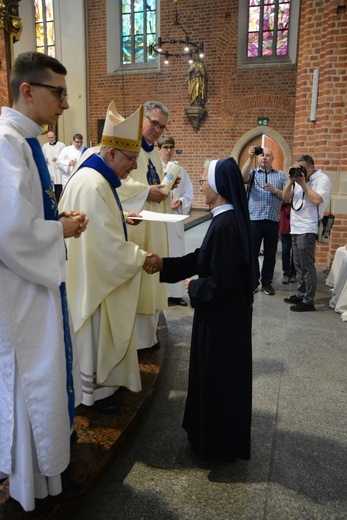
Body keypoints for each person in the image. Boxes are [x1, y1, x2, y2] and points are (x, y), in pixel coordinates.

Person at [0, 51, 88, 512]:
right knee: (31, 385)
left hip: (36, 287)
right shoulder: (6, 143)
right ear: (27, 91)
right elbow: (10, 231)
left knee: (47, 379)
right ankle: (31, 489)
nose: (66, 104)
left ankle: (51, 478)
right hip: (20, 293)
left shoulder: (26, 140)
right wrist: (61, 230)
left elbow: (28, 214)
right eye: (58, 93)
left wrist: (56, 219)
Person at [59, 101, 162, 411]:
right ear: (112, 153)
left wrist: (121, 218)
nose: (133, 166)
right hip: (94, 283)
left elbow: (101, 227)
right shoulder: (92, 184)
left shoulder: (97, 179)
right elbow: (103, 246)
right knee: (94, 338)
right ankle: (93, 396)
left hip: (91, 275)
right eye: (130, 159)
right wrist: (140, 257)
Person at [155, 157, 253, 462]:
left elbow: (222, 282)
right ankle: (212, 437)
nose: (200, 186)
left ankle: (216, 444)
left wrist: (193, 288)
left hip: (220, 321)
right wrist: (165, 266)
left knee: (217, 379)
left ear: (217, 187)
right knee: (218, 379)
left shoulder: (225, 225)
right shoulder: (227, 218)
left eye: (202, 181)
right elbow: (203, 257)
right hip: (226, 319)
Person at [117, 100, 171, 350]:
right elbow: (115, 182)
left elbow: (154, 183)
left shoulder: (153, 153)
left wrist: (164, 188)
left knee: (152, 279)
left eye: (162, 127)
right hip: (134, 224)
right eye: (154, 123)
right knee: (137, 279)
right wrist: (145, 191)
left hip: (153, 224)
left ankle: (147, 338)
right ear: (141, 119)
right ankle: (134, 342)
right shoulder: (124, 146)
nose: (158, 130)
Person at [282, 155, 331, 312]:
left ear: (311, 167)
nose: (300, 171)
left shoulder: (322, 179)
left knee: (307, 266)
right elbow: (285, 197)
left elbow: (317, 200)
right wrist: (291, 179)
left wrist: (302, 183)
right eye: (298, 167)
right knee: (298, 266)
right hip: (295, 227)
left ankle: (308, 301)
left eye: (302, 167)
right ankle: (301, 293)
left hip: (307, 228)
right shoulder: (298, 180)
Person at [241, 146, 287, 295]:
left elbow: (287, 197)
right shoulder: (253, 173)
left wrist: (275, 190)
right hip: (254, 219)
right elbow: (242, 177)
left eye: (268, 155)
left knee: (270, 254)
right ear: (258, 158)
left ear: (273, 159)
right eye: (262, 155)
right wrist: (249, 158)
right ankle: (253, 282)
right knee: (253, 253)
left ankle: (267, 282)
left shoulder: (280, 176)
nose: (264, 158)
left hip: (272, 220)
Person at [158, 135, 194, 306]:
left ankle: (175, 293)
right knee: (160, 253)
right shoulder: (154, 168)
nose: (169, 150)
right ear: (158, 149)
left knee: (175, 254)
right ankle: (159, 293)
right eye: (165, 147)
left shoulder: (180, 170)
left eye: (171, 147)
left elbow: (189, 192)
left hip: (174, 219)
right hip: (157, 219)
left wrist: (181, 201)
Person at [42, 130, 66, 199]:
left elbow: (65, 158)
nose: (51, 139)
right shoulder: (45, 146)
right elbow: (42, 157)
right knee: (50, 193)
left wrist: (58, 160)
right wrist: (44, 160)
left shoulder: (61, 145)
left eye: (52, 137)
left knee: (58, 192)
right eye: (49, 138)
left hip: (58, 171)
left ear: (55, 137)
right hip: (50, 170)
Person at [279, 202, 297, 284]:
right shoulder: (284, 199)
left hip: (297, 227)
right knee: (285, 251)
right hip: (285, 227)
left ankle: (294, 274)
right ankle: (286, 274)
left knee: (296, 252)